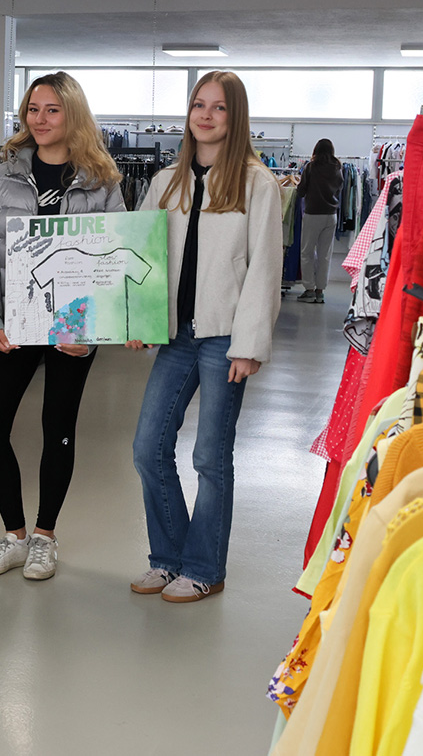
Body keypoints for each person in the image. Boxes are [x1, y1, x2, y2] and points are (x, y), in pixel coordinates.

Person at [127, 71, 282, 603]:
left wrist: (250, 344)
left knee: (210, 458)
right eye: (199, 104)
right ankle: (167, 559)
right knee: (148, 448)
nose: (206, 115)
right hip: (175, 335)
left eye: (219, 107)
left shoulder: (257, 184)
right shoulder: (165, 181)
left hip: (224, 337)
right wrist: (138, 321)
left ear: (235, 117)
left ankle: (204, 567)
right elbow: (140, 257)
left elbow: (264, 268)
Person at [0, 72, 125, 581]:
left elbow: (115, 259)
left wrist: (91, 330)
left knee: (57, 427)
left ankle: (44, 537)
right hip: (16, 318)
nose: (39, 119)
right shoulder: (3, 176)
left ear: (72, 114)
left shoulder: (103, 181)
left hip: (74, 323)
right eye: (32, 109)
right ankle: (13, 535)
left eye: (52, 109)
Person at [297, 137, 344, 303]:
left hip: (313, 214)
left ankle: (309, 289)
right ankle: (320, 291)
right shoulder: (338, 167)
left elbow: (301, 190)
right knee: (325, 255)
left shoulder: (311, 167)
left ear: (316, 150)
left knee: (307, 253)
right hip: (331, 215)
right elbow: (340, 189)